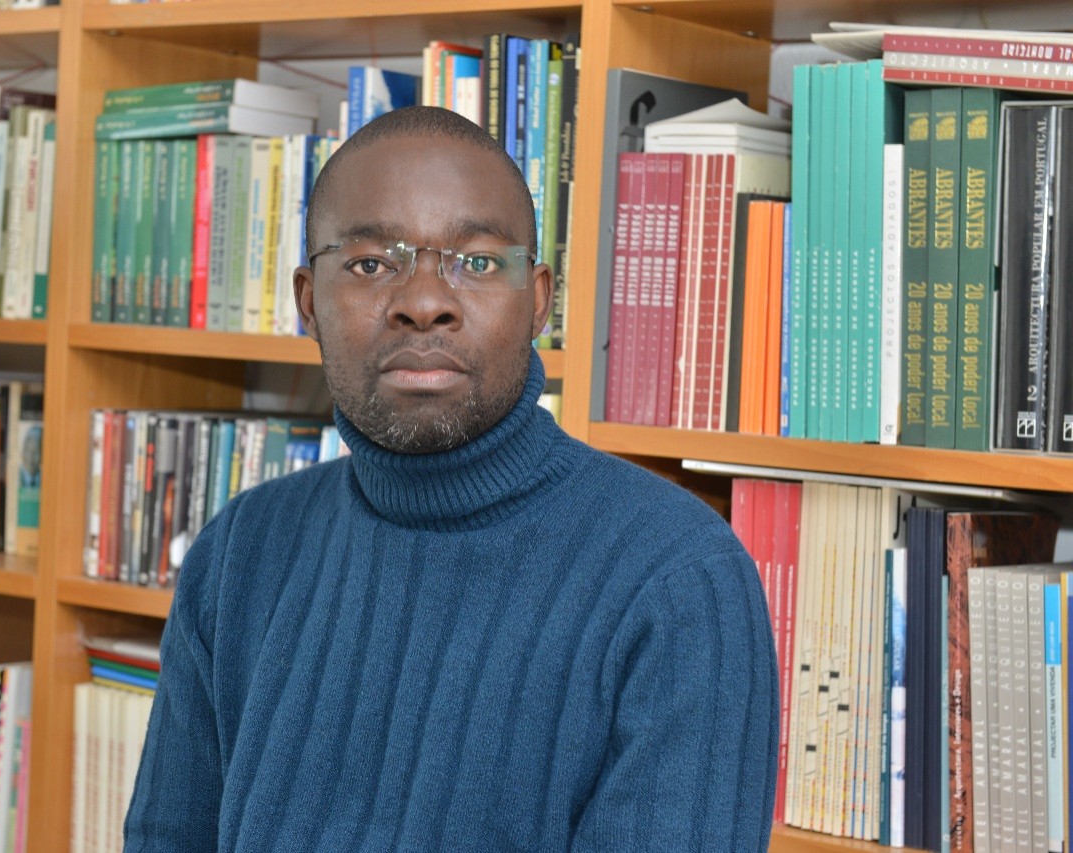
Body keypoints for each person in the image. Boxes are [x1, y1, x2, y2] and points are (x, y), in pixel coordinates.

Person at [124, 106, 778, 852]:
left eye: (475, 261)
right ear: (308, 301)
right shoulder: (239, 550)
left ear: (538, 300)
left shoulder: (678, 580)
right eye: (372, 263)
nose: (423, 302)